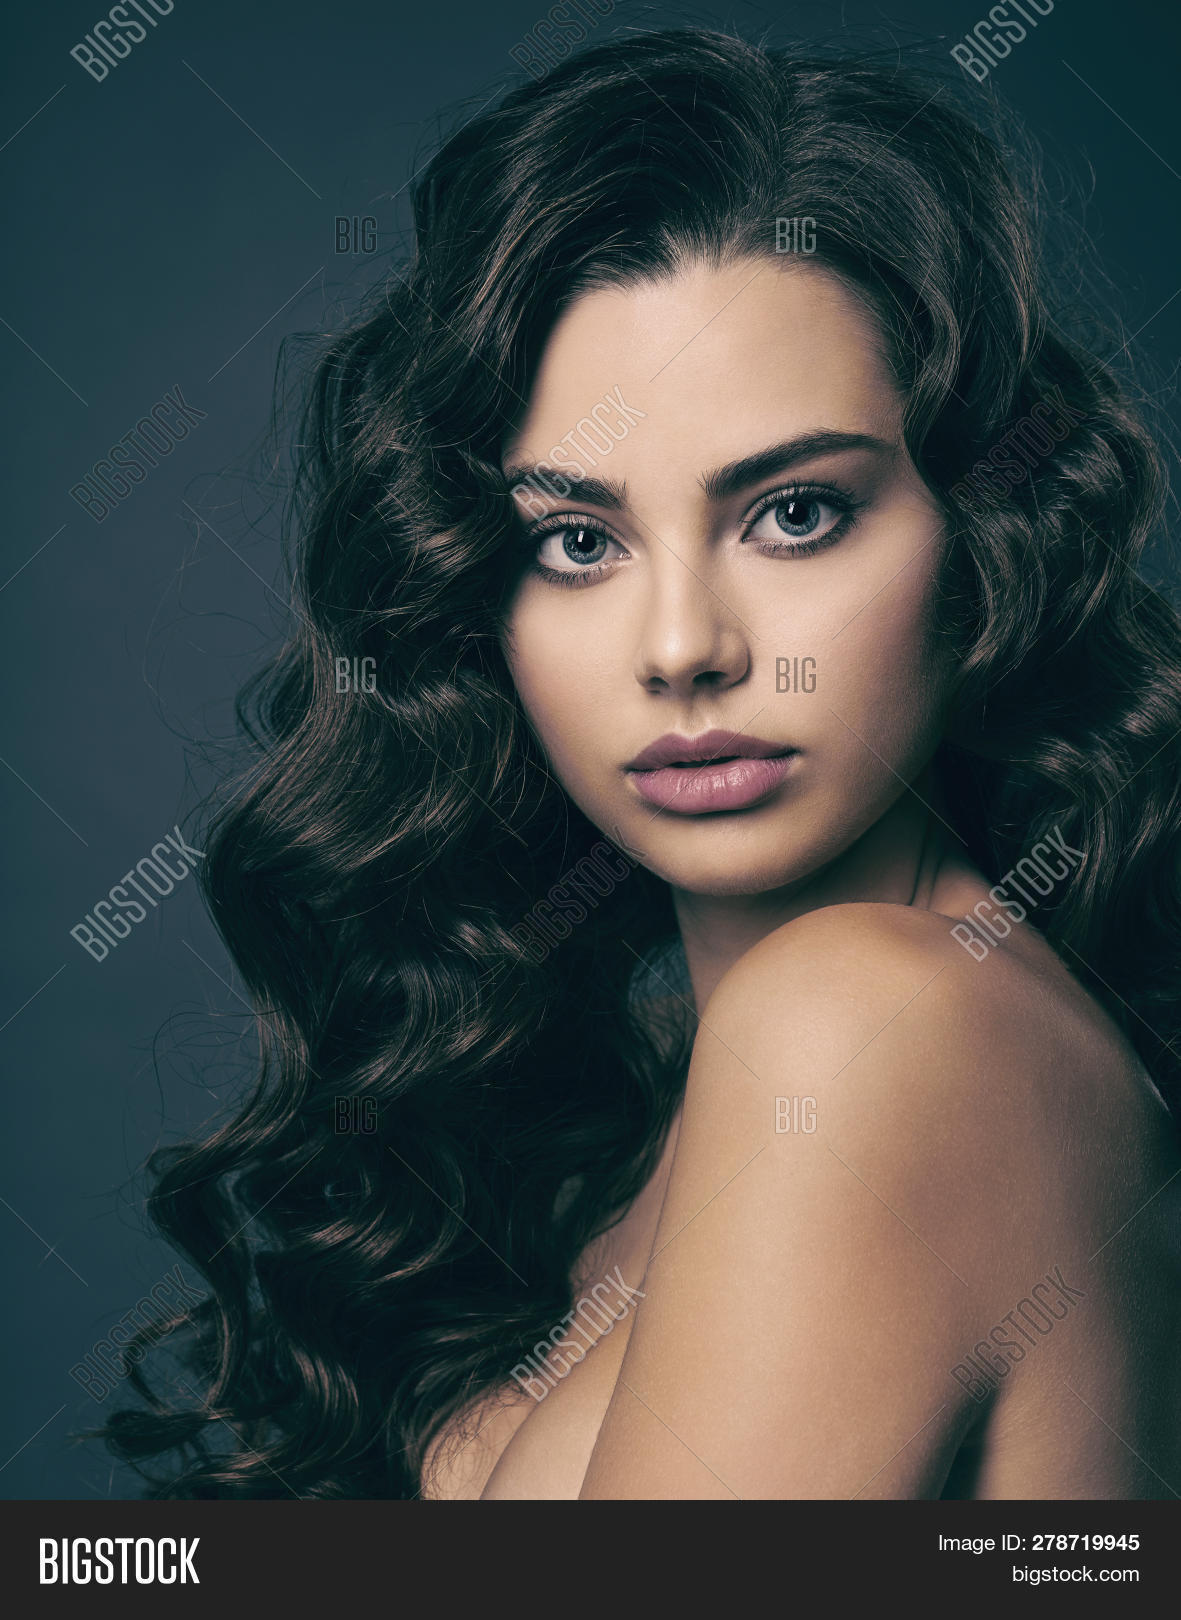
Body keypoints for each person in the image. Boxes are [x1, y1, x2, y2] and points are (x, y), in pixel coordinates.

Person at [105, 26, 1181, 1500]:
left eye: (794, 514)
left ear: (981, 543)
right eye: (577, 541)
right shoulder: (655, 1101)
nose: (681, 647)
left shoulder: (880, 1029)